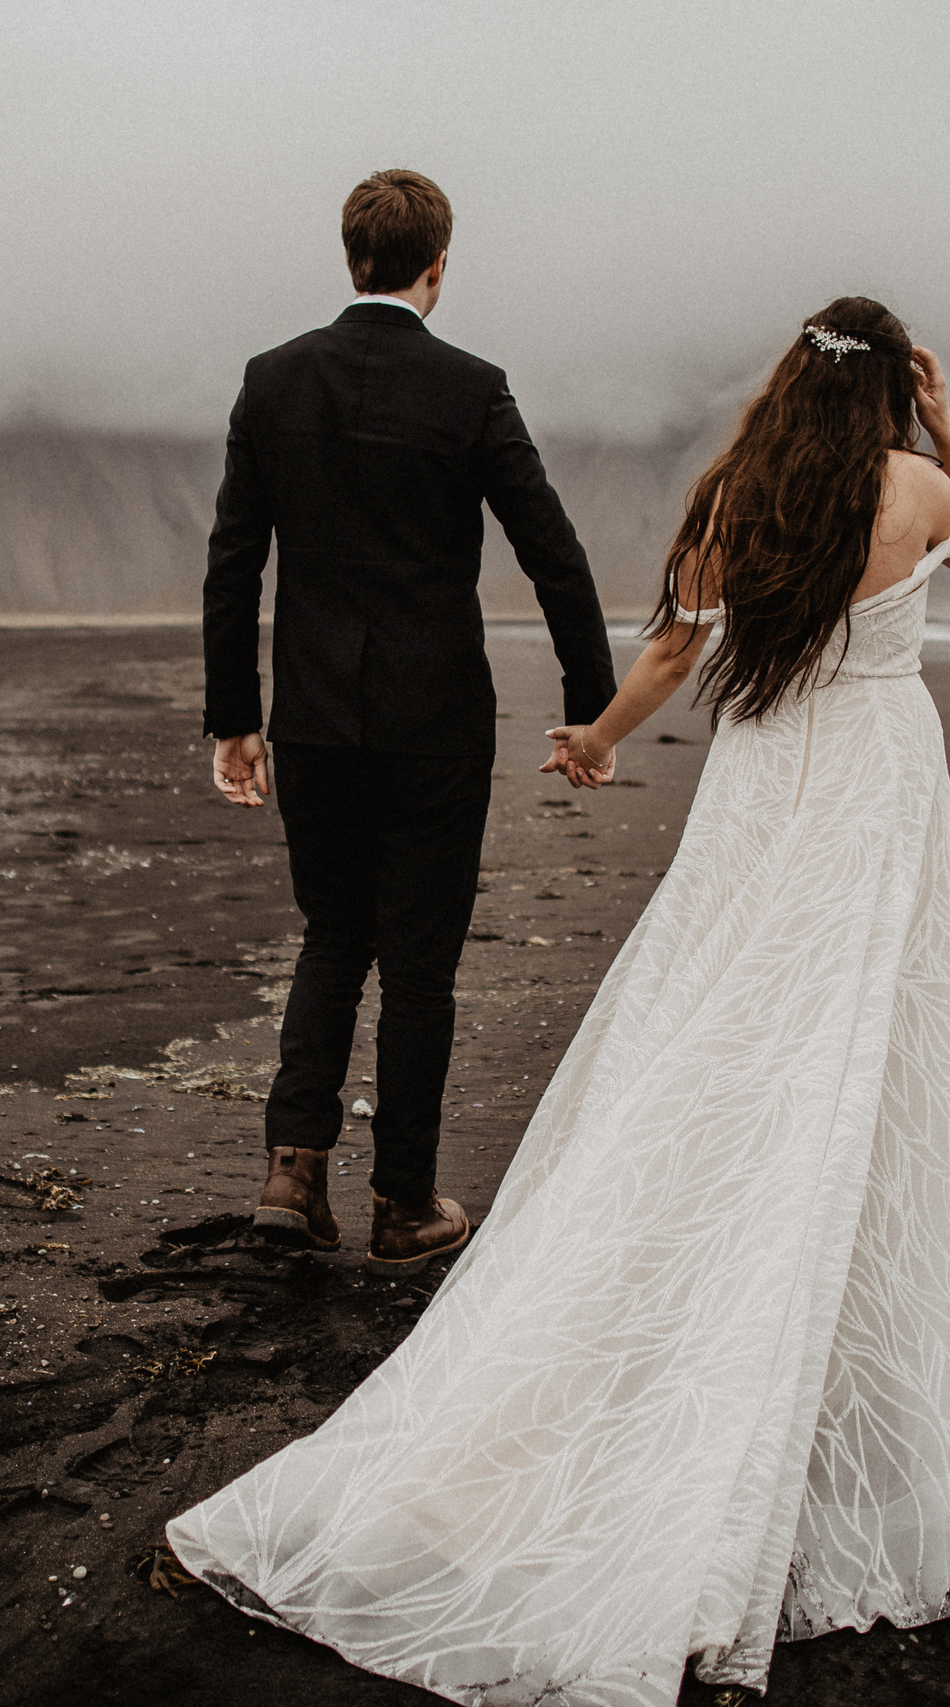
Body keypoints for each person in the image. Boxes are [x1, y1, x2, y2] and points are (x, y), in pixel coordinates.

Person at [172, 297, 950, 1706]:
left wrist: (595, 738)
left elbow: (673, 652)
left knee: (715, 1032)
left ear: (788, 384)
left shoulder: (739, 496)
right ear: (891, 391)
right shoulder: (914, 489)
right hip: (875, 795)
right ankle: (835, 1327)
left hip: (764, 792)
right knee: (866, 1040)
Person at [200, 169, 617, 1274]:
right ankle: (402, 1203)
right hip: (435, 719)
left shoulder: (272, 381)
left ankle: (291, 1174)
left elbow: (233, 562)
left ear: (351, 259)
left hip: (320, 718)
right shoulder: (471, 389)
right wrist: (592, 709)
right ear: (439, 264)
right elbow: (553, 554)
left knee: (334, 936)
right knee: (419, 966)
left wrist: (235, 719)